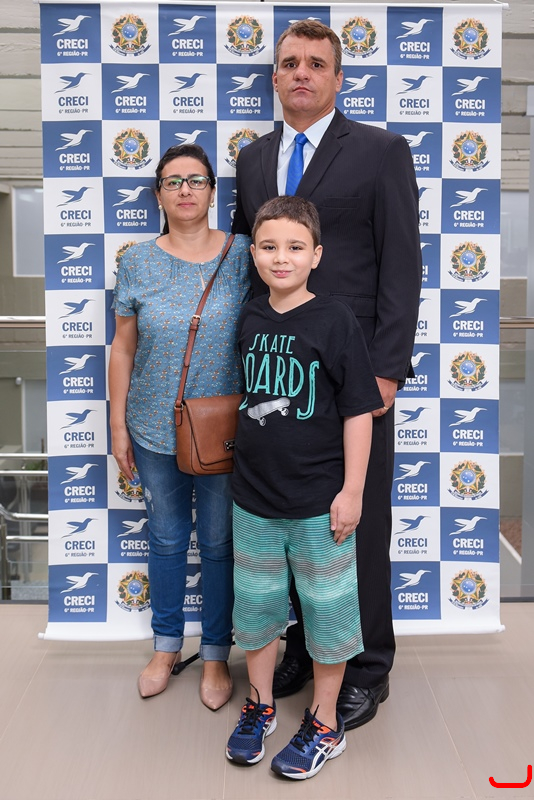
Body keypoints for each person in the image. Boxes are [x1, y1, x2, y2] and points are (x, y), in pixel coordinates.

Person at [232, 20, 422, 729]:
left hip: (353, 375)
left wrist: (387, 371)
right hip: (276, 376)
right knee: (285, 519)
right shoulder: (254, 159)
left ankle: (366, 668)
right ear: (274, 78)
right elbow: (248, 266)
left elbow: (402, 264)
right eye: (290, 63)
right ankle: (305, 652)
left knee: (353, 522)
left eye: (316, 63)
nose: (302, 73)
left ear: (338, 78)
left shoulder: (380, 151)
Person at [226, 196, 383, 779]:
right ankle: (260, 705)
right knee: (257, 606)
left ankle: (325, 722)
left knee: (327, 610)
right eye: (269, 247)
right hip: (253, 498)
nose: (281, 257)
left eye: (295, 247)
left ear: (316, 254)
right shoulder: (249, 317)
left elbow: (359, 411)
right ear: (254, 254)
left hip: (320, 501)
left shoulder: (335, 319)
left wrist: (353, 491)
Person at [109, 144, 251, 709]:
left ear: (213, 191)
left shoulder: (243, 254)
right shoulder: (137, 261)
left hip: (222, 431)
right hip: (152, 426)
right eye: (173, 181)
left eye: (196, 180)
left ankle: (215, 654)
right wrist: (118, 425)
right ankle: (166, 646)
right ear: (158, 195)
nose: (185, 190)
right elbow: (123, 347)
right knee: (166, 539)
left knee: (218, 543)